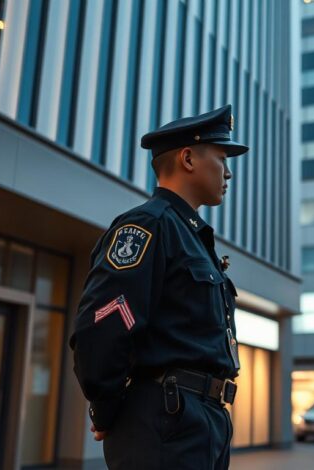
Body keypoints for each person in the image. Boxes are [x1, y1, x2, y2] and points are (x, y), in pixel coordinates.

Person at [70, 104, 248, 469]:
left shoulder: (192, 237)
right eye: (221, 157)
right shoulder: (147, 226)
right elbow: (104, 324)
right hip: (165, 421)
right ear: (188, 158)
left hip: (202, 420)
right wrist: (105, 410)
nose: (228, 173)